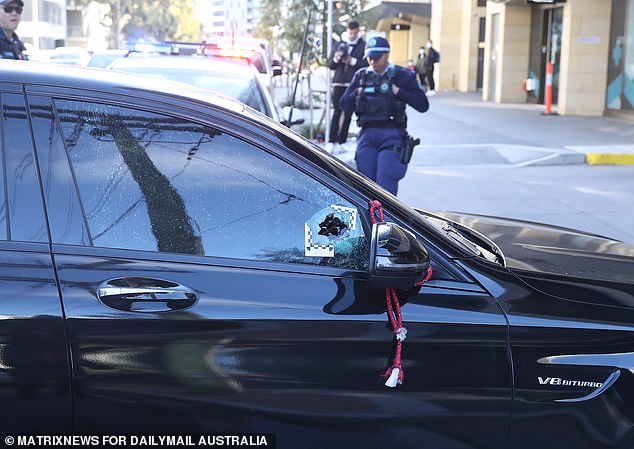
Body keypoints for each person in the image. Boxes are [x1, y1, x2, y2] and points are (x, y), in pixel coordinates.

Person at [340, 36, 429, 195]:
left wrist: (398, 92)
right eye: (369, 57)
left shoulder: (402, 75)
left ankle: (385, 219)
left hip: (392, 134)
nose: (372, 61)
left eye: (376, 57)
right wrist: (356, 93)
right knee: (364, 185)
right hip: (367, 134)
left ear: (387, 54)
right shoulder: (361, 76)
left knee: (385, 186)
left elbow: (423, 105)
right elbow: (343, 105)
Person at [326, 20, 368, 154]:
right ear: (347, 31)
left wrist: (352, 61)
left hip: (352, 84)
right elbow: (329, 64)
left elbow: (365, 65)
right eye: (351, 33)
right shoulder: (339, 44)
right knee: (337, 112)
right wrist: (337, 59)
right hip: (338, 82)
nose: (353, 35)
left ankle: (342, 141)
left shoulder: (362, 46)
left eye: (355, 33)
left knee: (348, 113)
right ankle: (331, 141)